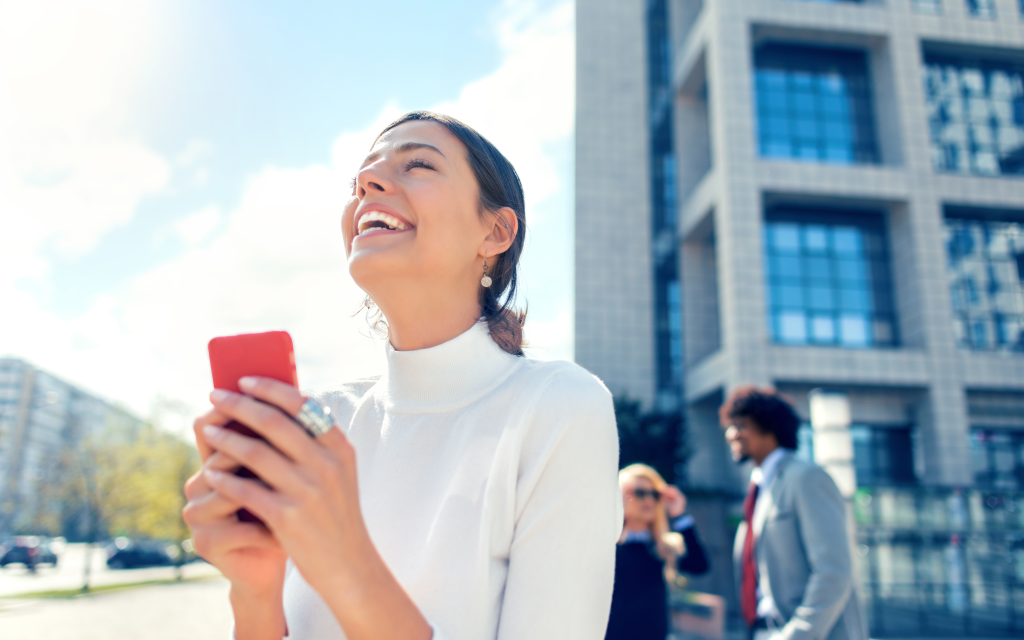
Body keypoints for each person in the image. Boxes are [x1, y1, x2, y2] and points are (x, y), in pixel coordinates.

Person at [182, 111, 623, 640]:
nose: (367, 183)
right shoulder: (325, 418)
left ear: (496, 231)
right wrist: (253, 590)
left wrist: (344, 564)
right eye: (359, 179)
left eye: (418, 164)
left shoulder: (561, 407)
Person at [720, 386, 867, 640]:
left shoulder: (806, 478)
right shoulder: (758, 490)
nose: (732, 434)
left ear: (770, 428)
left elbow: (833, 570)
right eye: (731, 426)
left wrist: (798, 635)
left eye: (741, 425)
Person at [605, 463, 710, 640]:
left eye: (655, 494)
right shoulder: (607, 545)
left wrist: (679, 514)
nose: (649, 500)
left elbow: (699, 565)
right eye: (640, 493)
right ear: (621, 495)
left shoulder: (663, 547)